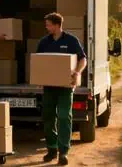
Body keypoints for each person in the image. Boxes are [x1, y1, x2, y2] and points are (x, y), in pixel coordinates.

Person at [36, 13, 87, 166]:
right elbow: (38, 62)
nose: (46, 27)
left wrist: (77, 72)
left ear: (57, 25)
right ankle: (51, 148)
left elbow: (82, 59)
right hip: (49, 87)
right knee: (48, 117)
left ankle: (63, 152)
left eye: (49, 25)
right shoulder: (44, 42)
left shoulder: (71, 40)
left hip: (66, 87)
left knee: (64, 116)